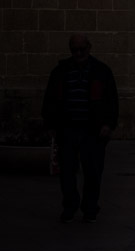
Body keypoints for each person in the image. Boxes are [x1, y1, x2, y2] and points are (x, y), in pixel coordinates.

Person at [42, 33, 118, 223]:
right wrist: (51, 124)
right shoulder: (61, 71)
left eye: (81, 49)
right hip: (67, 129)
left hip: (92, 130)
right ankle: (70, 205)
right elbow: (50, 98)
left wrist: (108, 124)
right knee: (67, 172)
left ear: (89, 48)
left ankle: (90, 207)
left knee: (92, 171)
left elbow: (111, 100)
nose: (78, 53)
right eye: (74, 50)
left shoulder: (102, 71)